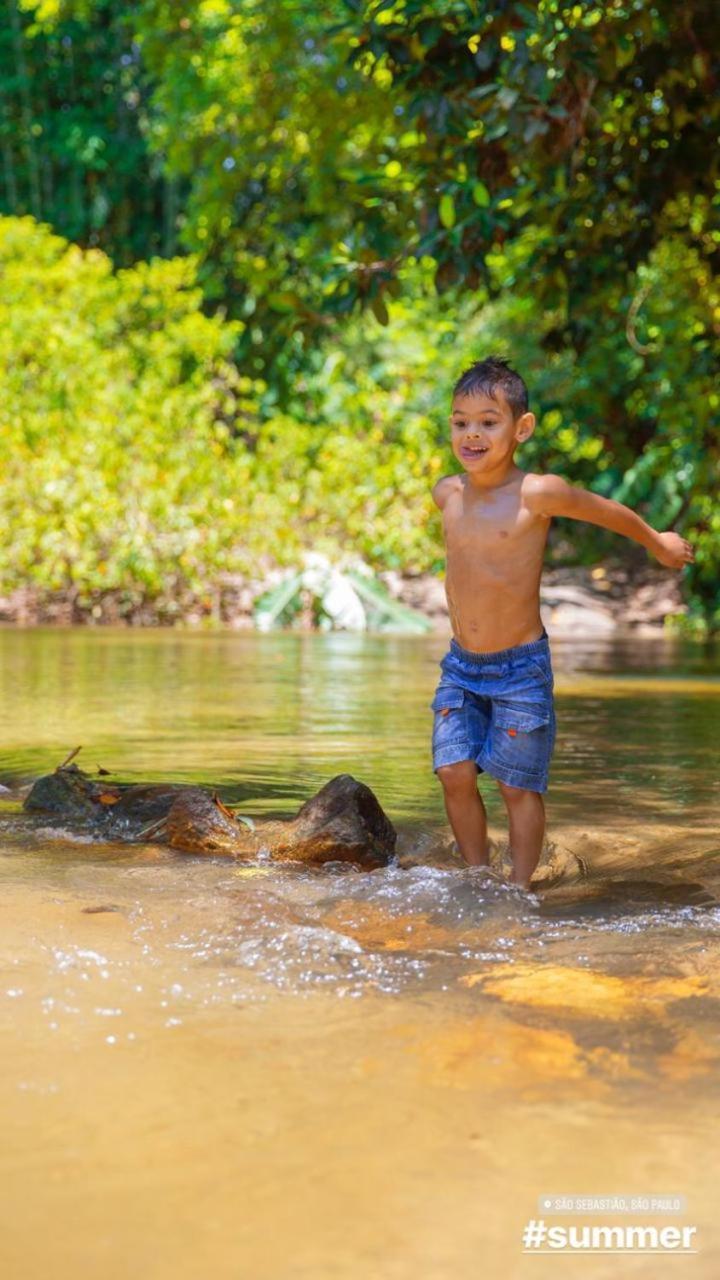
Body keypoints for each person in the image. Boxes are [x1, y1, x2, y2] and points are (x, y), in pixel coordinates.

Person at [431, 354, 695, 890]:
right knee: (453, 771)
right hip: (461, 665)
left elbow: (603, 510)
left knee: (515, 786)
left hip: (519, 669)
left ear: (521, 427)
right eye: (461, 422)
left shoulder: (537, 492)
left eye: (488, 421)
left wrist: (657, 541)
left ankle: (520, 890)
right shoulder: (447, 494)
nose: (472, 434)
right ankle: (478, 881)